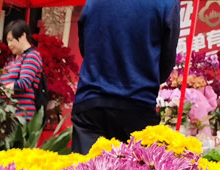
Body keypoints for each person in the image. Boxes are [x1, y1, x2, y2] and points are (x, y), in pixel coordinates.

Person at [72, 0, 181, 153]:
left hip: (91, 102)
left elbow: (85, 47)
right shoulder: (166, 3)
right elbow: (167, 60)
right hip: (137, 102)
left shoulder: (93, 2)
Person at [0, 20, 44, 124]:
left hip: (21, 117)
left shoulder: (32, 56)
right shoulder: (11, 60)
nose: (9, 44)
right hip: (7, 116)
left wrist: (0, 90)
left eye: (11, 40)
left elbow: (23, 84)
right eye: (7, 41)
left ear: (23, 36)